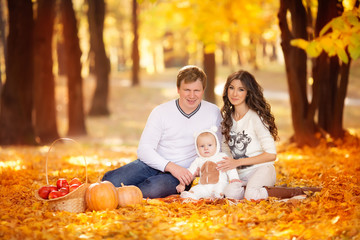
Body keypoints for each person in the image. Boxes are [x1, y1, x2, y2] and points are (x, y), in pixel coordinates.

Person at [102, 65, 222, 198]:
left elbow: (219, 148)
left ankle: (123, 197)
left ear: (203, 90)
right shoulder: (161, 112)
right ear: (178, 89)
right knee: (110, 181)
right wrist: (170, 166)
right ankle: (116, 195)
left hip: (183, 173)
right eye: (187, 90)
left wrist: (199, 169)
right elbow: (144, 149)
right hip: (152, 164)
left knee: (152, 189)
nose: (192, 95)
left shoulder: (213, 112)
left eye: (197, 90)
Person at [217, 70, 313, 200]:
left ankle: (290, 194)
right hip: (240, 175)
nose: (234, 93)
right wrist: (230, 173)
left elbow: (271, 154)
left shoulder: (256, 118)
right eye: (231, 88)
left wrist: (237, 162)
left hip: (262, 170)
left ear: (248, 93)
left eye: (241, 89)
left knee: (251, 196)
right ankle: (260, 190)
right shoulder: (226, 120)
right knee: (229, 194)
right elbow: (226, 152)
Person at [176, 127, 241, 200]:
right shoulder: (198, 160)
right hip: (204, 186)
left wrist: (234, 178)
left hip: (219, 183)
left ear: (216, 145)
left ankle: (218, 195)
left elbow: (230, 168)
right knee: (196, 189)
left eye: (209, 145)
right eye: (202, 146)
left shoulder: (222, 156)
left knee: (221, 188)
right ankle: (191, 196)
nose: (206, 148)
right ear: (197, 148)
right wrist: (182, 184)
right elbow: (190, 173)